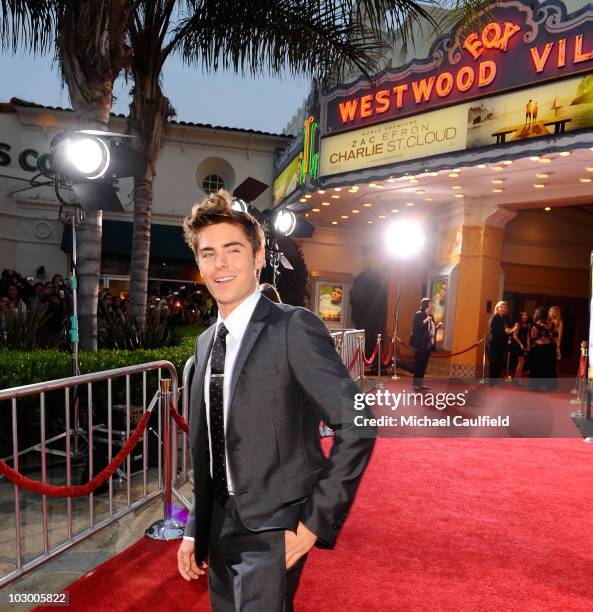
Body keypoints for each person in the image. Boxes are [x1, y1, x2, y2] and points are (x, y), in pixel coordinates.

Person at [177, 190, 375, 611]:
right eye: (208, 253)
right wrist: (195, 528)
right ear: (198, 263)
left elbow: (357, 421)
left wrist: (312, 524)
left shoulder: (293, 328)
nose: (221, 264)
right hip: (217, 528)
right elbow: (210, 448)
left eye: (233, 250)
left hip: (273, 529)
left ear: (258, 254)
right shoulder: (204, 343)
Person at [409, 298, 442, 391]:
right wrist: (426, 320)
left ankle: (421, 384)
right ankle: (416, 384)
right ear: (426, 305)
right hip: (419, 343)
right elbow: (416, 328)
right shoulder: (418, 314)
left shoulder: (430, 315)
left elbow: (429, 330)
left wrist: (437, 327)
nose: (433, 305)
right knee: (418, 364)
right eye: (431, 303)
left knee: (423, 365)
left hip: (427, 344)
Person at [488, 301, 516, 387]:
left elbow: (509, 329)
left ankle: (496, 382)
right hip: (494, 344)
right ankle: (492, 383)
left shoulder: (505, 318)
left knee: (499, 364)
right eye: (501, 307)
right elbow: (492, 330)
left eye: (505, 308)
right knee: (494, 364)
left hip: (502, 344)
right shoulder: (494, 317)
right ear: (497, 308)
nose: (503, 309)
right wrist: (504, 331)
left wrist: (514, 328)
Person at [529, 307, 557, 391]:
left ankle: (547, 386)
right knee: (537, 367)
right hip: (538, 347)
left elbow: (553, 336)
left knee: (547, 367)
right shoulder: (534, 324)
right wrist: (538, 327)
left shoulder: (550, 324)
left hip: (547, 348)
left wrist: (547, 327)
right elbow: (533, 336)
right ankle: (536, 386)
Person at [511, 311, 531, 386]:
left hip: (524, 343)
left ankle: (516, 380)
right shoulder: (517, 324)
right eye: (523, 315)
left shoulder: (528, 324)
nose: (524, 316)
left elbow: (528, 336)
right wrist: (521, 344)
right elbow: (514, 336)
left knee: (522, 362)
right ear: (520, 316)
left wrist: (528, 345)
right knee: (521, 361)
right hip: (517, 343)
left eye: (526, 315)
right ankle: (517, 380)